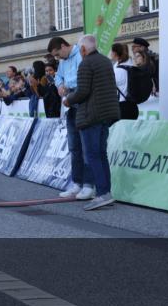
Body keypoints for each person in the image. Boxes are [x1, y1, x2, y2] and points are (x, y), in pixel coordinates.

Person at [63, 35, 120, 211]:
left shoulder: (86, 64)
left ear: (83, 49)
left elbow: (83, 92)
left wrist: (68, 100)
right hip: (106, 114)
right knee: (102, 155)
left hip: (91, 115)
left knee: (93, 155)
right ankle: (106, 192)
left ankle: (102, 193)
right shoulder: (105, 61)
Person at [48, 36, 90, 199]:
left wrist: (68, 85)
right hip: (69, 105)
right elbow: (59, 77)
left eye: (58, 54)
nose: (58, 58)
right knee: (74, 147)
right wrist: (59, 85)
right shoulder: (63, 61)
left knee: (86, 147)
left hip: (81, 102)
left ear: (64, 46)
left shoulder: (81, 54)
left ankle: (88, 185)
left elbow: (84, 78)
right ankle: (77, 183)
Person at [110, 42, 138, 120]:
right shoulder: (130, 65)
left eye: (111, 51)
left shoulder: (118, 70)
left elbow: (108, 86)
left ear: (115, 53)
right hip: (133, 105)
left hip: (122, 107)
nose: (110, 53)